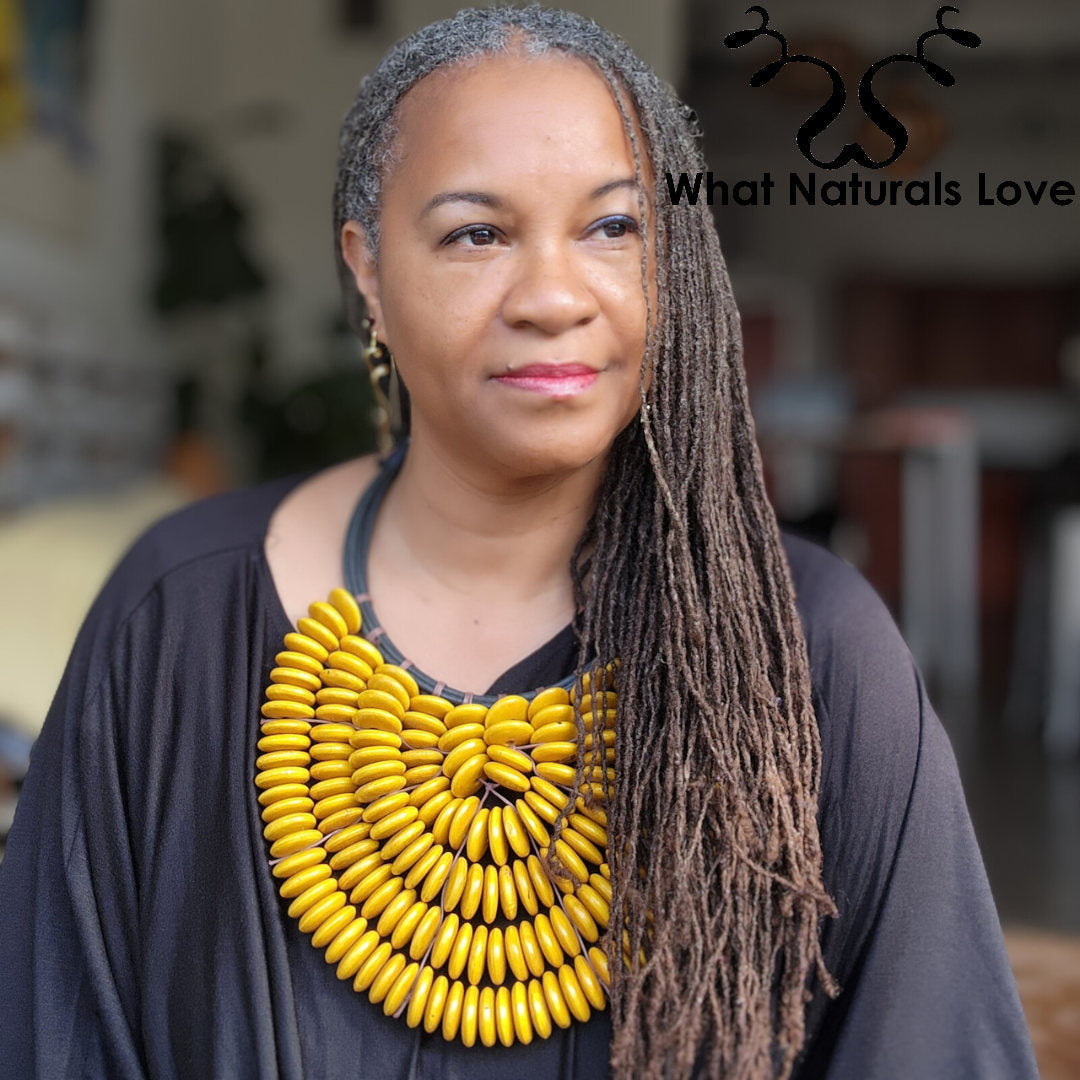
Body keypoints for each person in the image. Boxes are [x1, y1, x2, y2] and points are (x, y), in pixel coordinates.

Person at [0, 6, 1039, 1079]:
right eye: (476, 233)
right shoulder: (176, 618)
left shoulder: (812, 657)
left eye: (612, 228)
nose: (552, 296)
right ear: (368, 270)